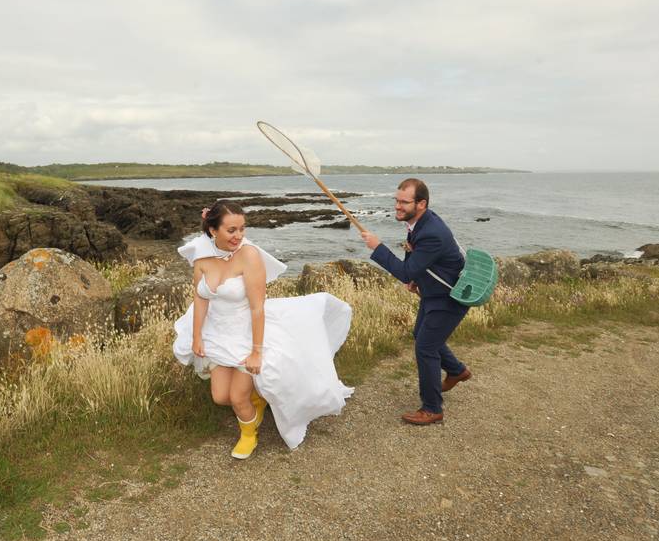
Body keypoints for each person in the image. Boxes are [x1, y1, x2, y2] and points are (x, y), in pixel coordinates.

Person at [173, 200, 354, 459]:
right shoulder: (202, 260)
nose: (238, 236)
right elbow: (200, 299)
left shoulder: (249, 256)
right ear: (213, 231)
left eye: (242, 229)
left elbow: (258, 308)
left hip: (248, 335)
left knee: (236, 397)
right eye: (231, 230)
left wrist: (256, 352)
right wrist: (197, 335)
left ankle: (248, 434)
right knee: (220, 397)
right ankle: (257, 400)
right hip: (218, 334)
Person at [360, 178, 472, 425]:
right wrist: (417, 279)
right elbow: (416, 261)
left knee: (426, 347)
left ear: (421, 203)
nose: (398, 206)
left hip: (449, 299)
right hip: (434, 292)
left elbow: (406, 271)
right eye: (396, 200)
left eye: (404, 202)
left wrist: (378, 247)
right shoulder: (419, 222)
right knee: (420, 334)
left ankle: (432, 408)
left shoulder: (432, 232)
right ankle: (456, 371)